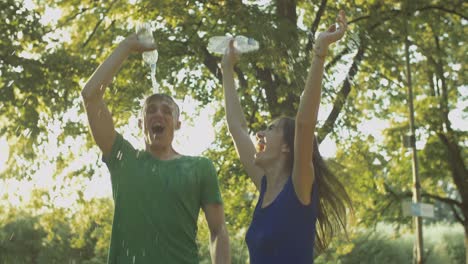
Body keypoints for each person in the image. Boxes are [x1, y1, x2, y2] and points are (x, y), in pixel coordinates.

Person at [81, 33, 230, 263]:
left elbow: (218, 231)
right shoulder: (123, 158)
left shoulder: (200, 167)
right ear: (141, 123)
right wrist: (126, 46)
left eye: (166, 110)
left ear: (177, 124)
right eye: (150, 110)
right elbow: (90, 96)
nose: (158, 113)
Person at [221, 10, 351, 264]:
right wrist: (227, 69)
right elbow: (237, 127)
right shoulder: (265, 185)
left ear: (286, 148)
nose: (260, 133)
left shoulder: (300, 185)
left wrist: (320, 51)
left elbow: (304, 124)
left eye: (270, 129)